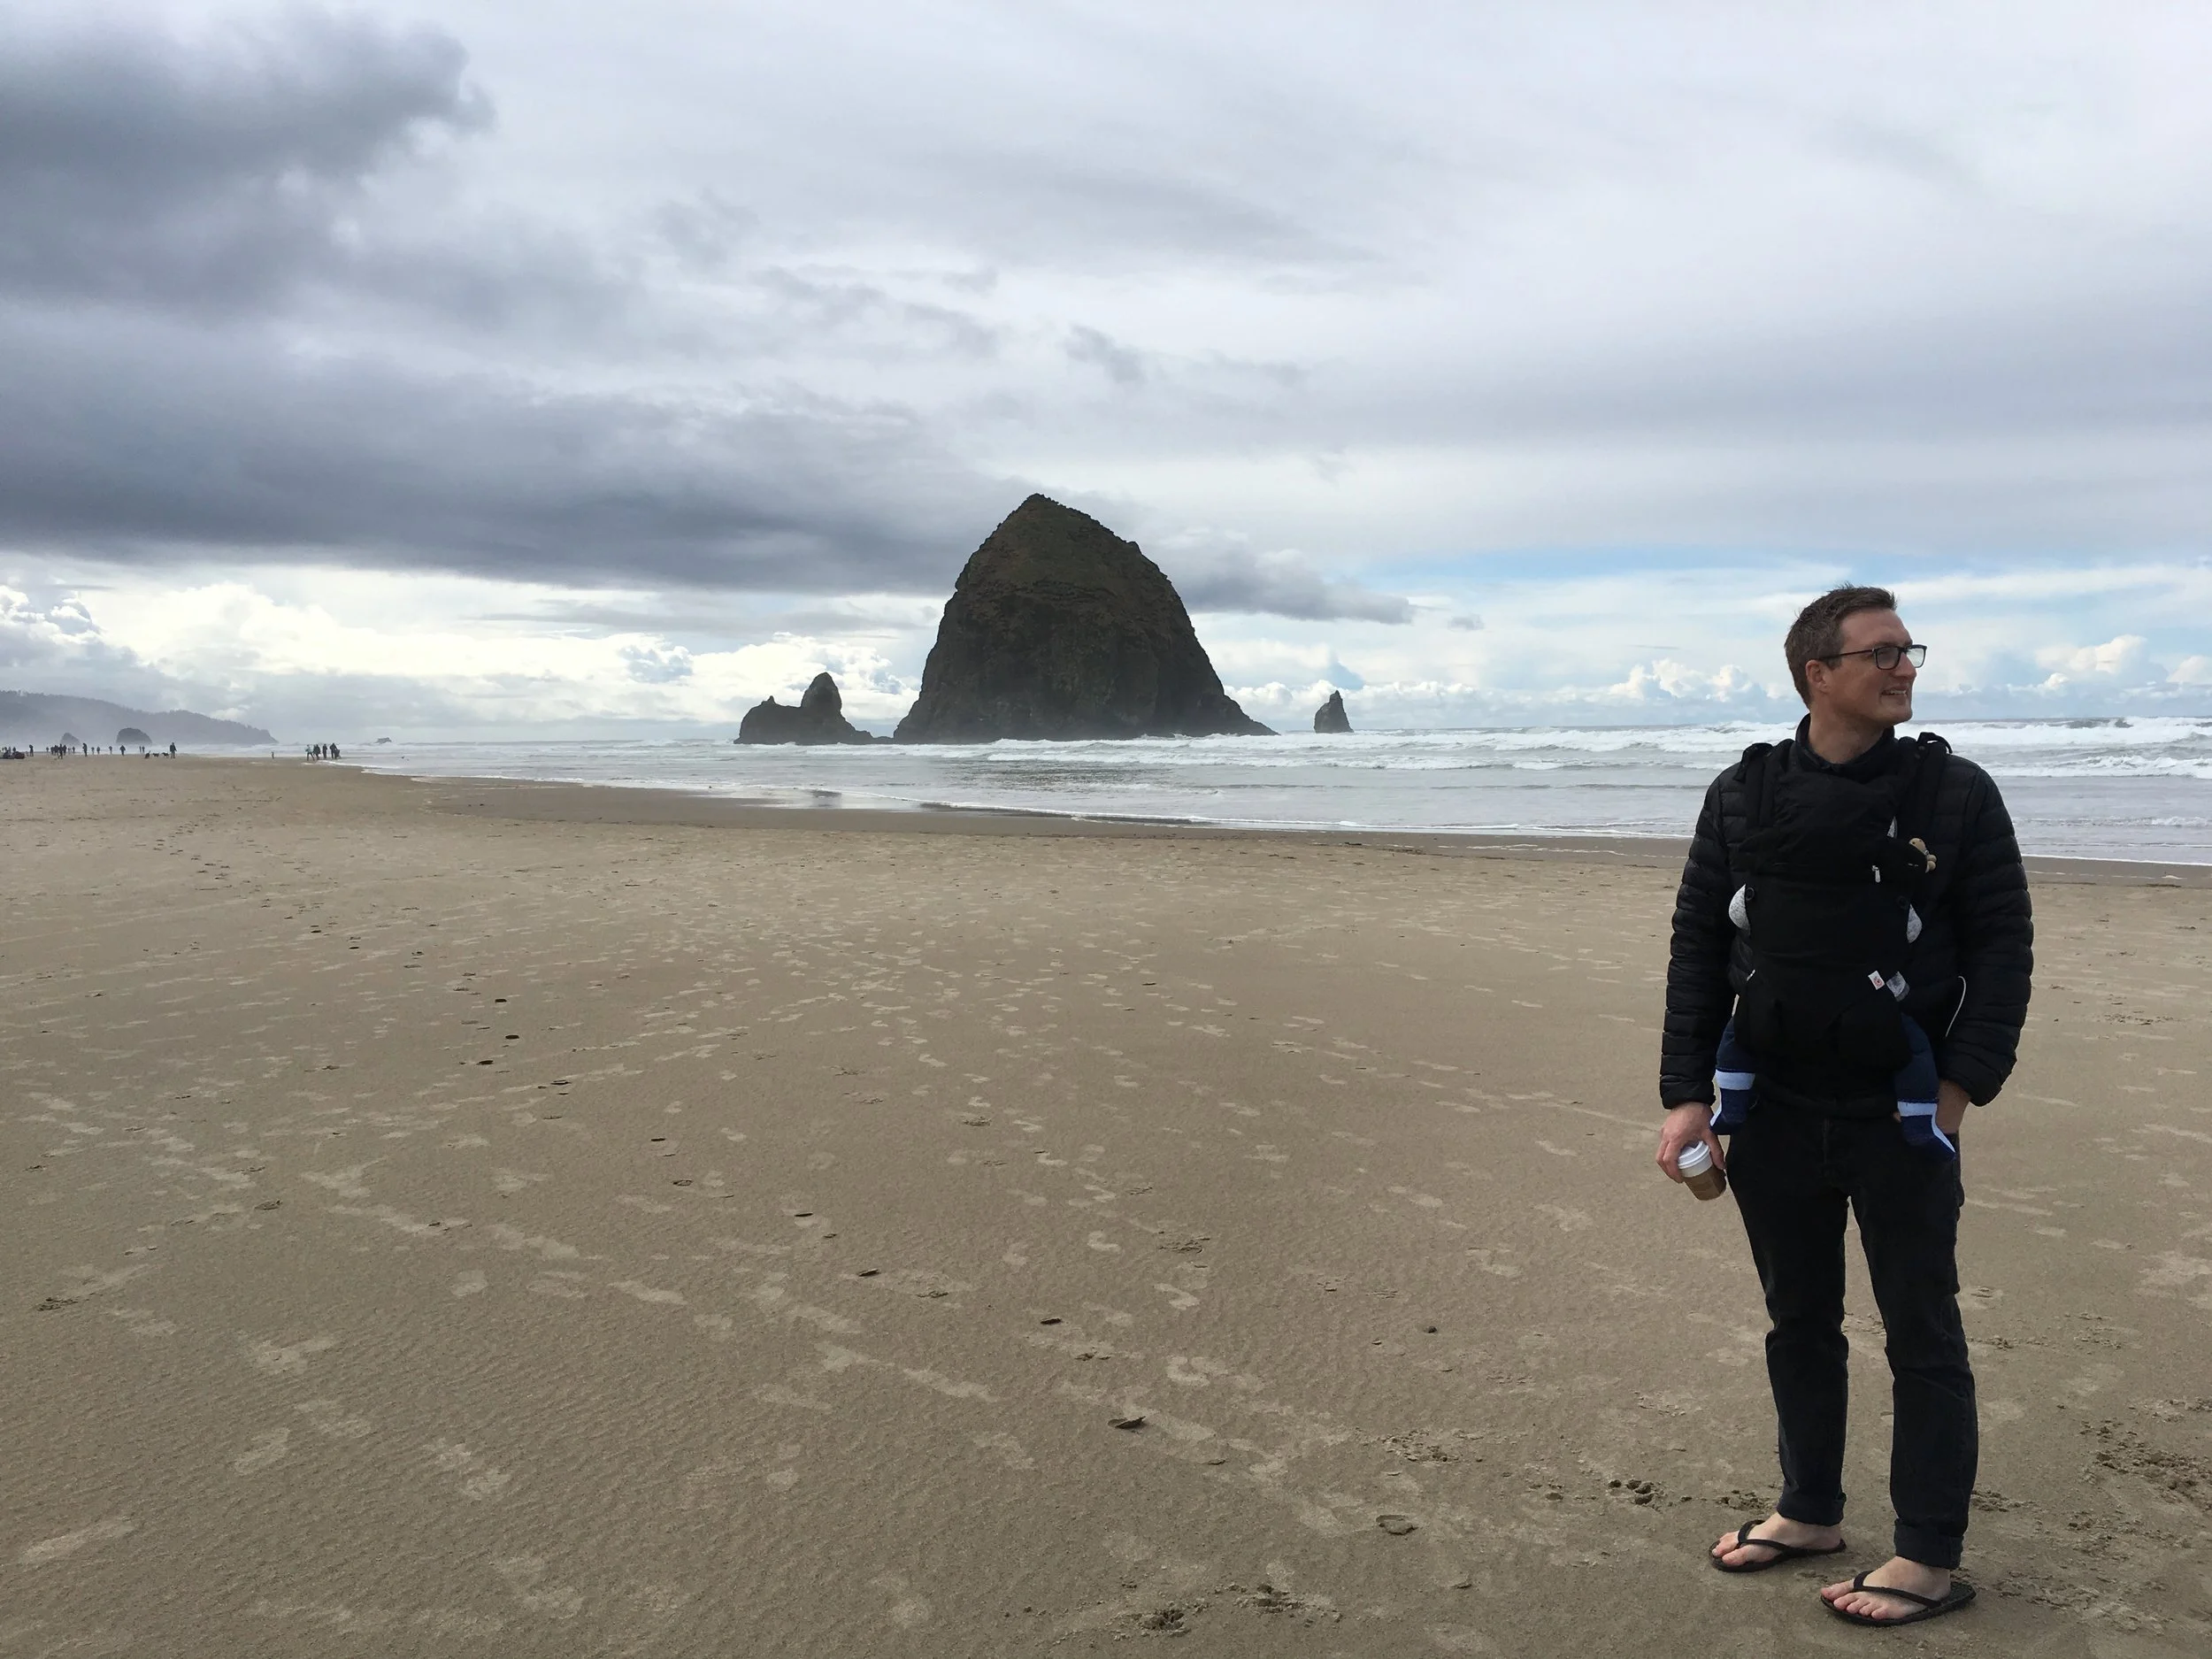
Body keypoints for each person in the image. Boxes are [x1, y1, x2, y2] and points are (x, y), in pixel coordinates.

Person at [1655, 586, 2032, 1627]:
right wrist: (1687, 1097)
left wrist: (1955, 1093)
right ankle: (1809, 1509)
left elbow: (2002, 949)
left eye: (1908, 650)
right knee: (1798, 1323)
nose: (1904, 666)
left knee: (1921, 1332)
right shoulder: (1742, 795)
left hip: (1899, 1111)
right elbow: (1699, 945)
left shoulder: (1954, 796)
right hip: (1769, 1104)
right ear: (1816, 674)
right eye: (1879, 653)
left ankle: (1926, 1553)